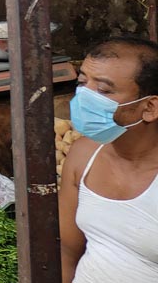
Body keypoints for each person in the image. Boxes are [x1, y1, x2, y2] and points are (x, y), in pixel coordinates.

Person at [60, 37, 158, 282]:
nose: (84, 97)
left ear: (149, 108)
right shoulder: (83, 155)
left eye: (103, 90)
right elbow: (66, 251)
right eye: (83, 82)